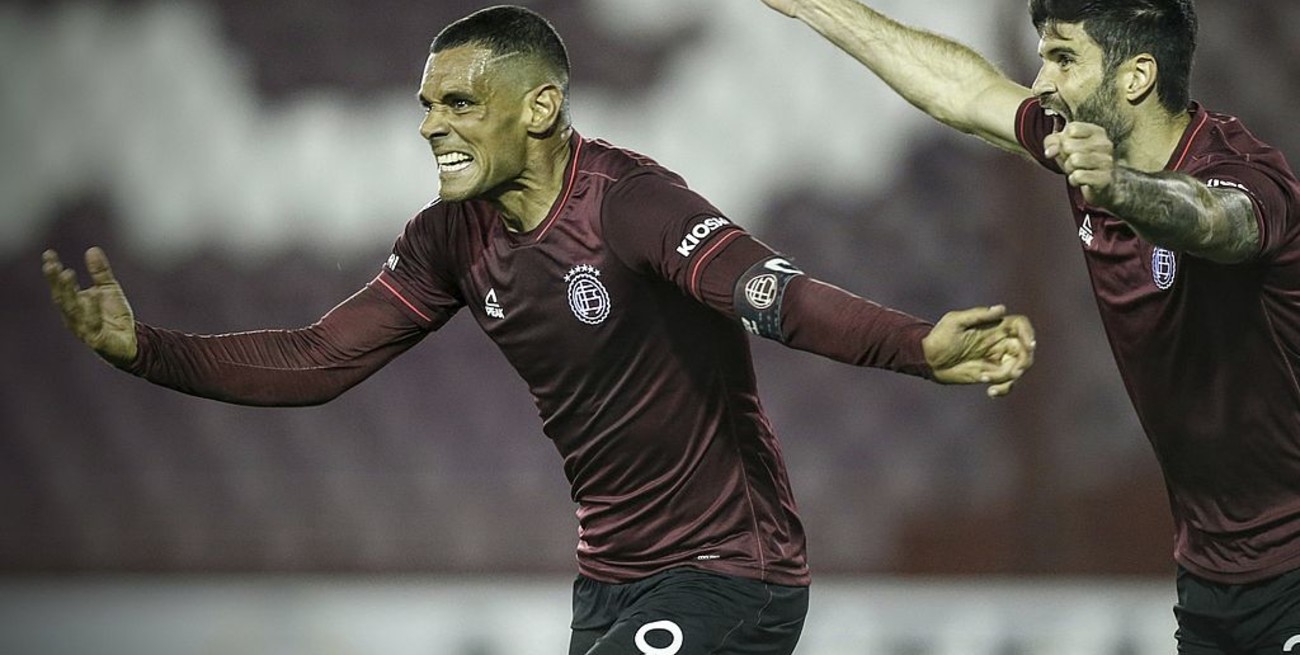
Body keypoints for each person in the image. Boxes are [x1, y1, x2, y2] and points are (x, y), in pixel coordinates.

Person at [42, 5, 1035, 654]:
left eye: (460, 103)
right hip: (609, 585)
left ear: (541, 106)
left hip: (728, 573)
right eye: (427, 105)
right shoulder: (447, 239)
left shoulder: (629, 202)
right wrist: (145, 349)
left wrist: (918, 347)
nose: (431, 125)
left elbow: (771, 295)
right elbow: (321, 356)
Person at [761, 0, 1300, 651]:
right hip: (1214, 576)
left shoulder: (1242, 175)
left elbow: (1214, 219)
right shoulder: (1077, 143)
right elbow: (963, 91)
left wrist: (1122, 189)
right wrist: (818, 7)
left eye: (1063, 58)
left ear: (1135, 77)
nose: (1042, 81)